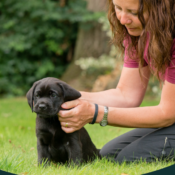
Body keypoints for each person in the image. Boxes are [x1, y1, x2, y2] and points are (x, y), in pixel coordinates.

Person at [58, 0, 175, 163]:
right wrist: (67, 95)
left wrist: (96, 113)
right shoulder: (139, 34)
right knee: (108, 154)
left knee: (130, 158)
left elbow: (167, 114)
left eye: (133, 12)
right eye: (118, 8)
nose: (122, 19)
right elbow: (127, 95)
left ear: (161, 9)